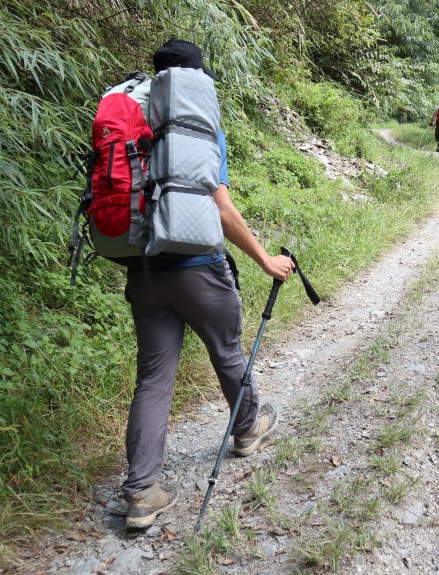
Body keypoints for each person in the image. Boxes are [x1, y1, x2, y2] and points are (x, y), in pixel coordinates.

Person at [121, 39, 295, 529]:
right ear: (196, 82)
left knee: (153, 379)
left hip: (145, 272)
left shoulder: (134, 122)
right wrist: (265, 259)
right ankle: (247, 429)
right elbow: (219, 208)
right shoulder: (195, 127)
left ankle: (141, 493)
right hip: (197, 269)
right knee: (227, 350)